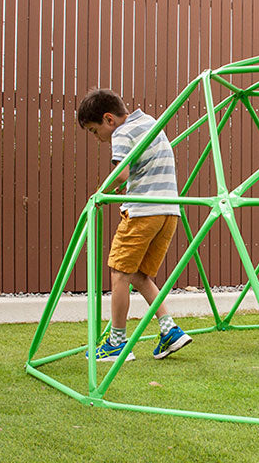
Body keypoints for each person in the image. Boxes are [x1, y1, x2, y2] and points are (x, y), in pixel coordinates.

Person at [77, 88, 192, 361]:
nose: (97, 138)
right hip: (169, 212)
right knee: (140, 276)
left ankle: (116, 343)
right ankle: (170, 330)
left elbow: (122, 172)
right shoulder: (149, 122)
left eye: (94, 131)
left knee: (119, 273)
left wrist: (101, 191)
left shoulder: (121, 132)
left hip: (143, 211)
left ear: (109, 119)